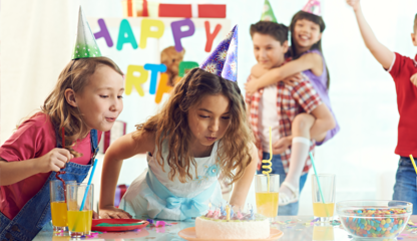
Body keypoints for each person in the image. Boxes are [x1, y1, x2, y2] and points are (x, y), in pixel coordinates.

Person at [99, 26, 258, 221]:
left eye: (225, 117)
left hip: (200, 213)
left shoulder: (230, 139)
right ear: (184, 107)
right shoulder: (158, 136)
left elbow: (250, 156)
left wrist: (235, 207)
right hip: (146, 212)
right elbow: (115, 152)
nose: (215, 127)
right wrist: (106, 204)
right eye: (205, 116)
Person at [0, 7, 124, 240]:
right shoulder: (40, 126)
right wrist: (40, 164)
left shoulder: (93, 135)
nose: (116, 105)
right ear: (72, 98)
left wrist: (88, 214)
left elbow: (64, 194)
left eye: (120, 95)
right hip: (9, 230)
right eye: (105, 95)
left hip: (51, 232)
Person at [245, 0, 339, 207]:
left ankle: (292, 182)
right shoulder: (277, 65)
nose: (262, 54)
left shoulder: (305, 66)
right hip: (262, 153)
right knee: (264, 212)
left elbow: (280, 72)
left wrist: (289, 139)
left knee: (301, 122)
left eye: (313, 28)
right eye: (301, 25)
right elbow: (260, 72)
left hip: (312, 127)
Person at [347, 0, 417, 214]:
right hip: (410, 165)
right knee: (399, 224)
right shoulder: (404, 67)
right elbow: (374, 45)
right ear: (414, 39)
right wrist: (358, 11)